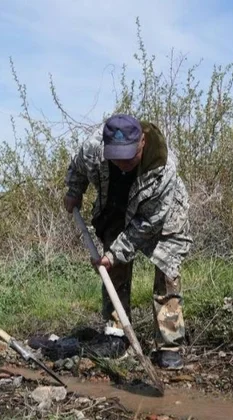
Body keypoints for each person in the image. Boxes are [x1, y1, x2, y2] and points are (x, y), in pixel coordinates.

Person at [63, 114, 193, 369]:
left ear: (142, 142)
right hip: (117, 207)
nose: (122, 164)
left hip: (162, 217)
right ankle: (117, 335)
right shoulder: (93, 148)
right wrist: (74, 190)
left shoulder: (163, 167)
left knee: (167, 274)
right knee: (114, 272)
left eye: (129, 157)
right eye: (116, 157)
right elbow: (78, 167)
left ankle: (169, 344)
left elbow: (148, 223)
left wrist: (115, 253)